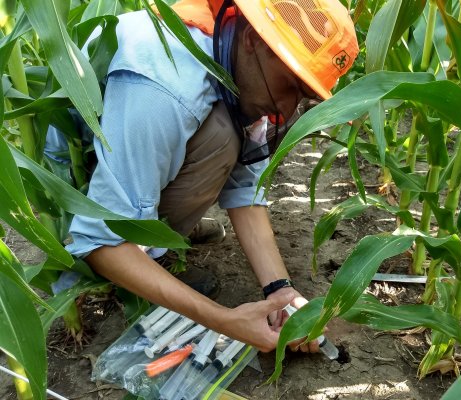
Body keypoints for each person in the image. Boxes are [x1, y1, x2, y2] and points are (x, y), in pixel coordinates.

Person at [47, 0, 358, 353]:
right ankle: (145, 253)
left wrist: (280, 291)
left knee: (227, 132)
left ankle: (163, 231)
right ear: (253, 39)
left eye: (303, 97)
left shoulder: (239, 64)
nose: (286, 109)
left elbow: (245, 187)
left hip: (137, 153)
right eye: (289, 85)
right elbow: (100, 237)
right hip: (79, 180)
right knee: (222, 135)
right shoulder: (164, 89)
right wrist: (221, 319)